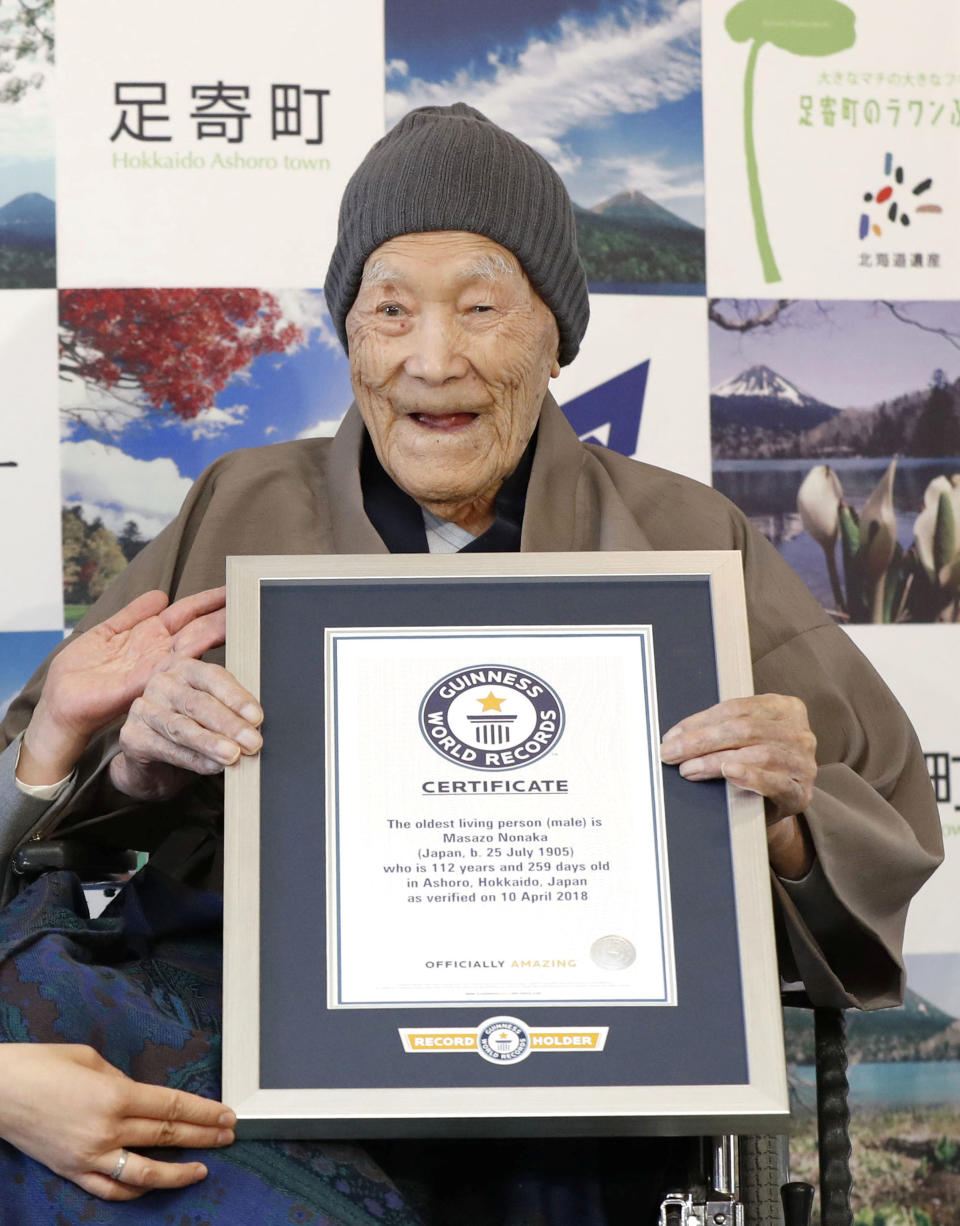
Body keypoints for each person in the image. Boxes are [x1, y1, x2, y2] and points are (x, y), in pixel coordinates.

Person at [0, 102, 943, 1223]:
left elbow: (877, 810)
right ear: (349, 334)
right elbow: (45, 779)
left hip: (588, 1075)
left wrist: (783, 817)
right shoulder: (238, 505)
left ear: (558, 335)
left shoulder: (687, 536)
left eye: (483, 306)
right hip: (254, 1055)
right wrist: (139, 763)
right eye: (388, 308)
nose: (431, 359)